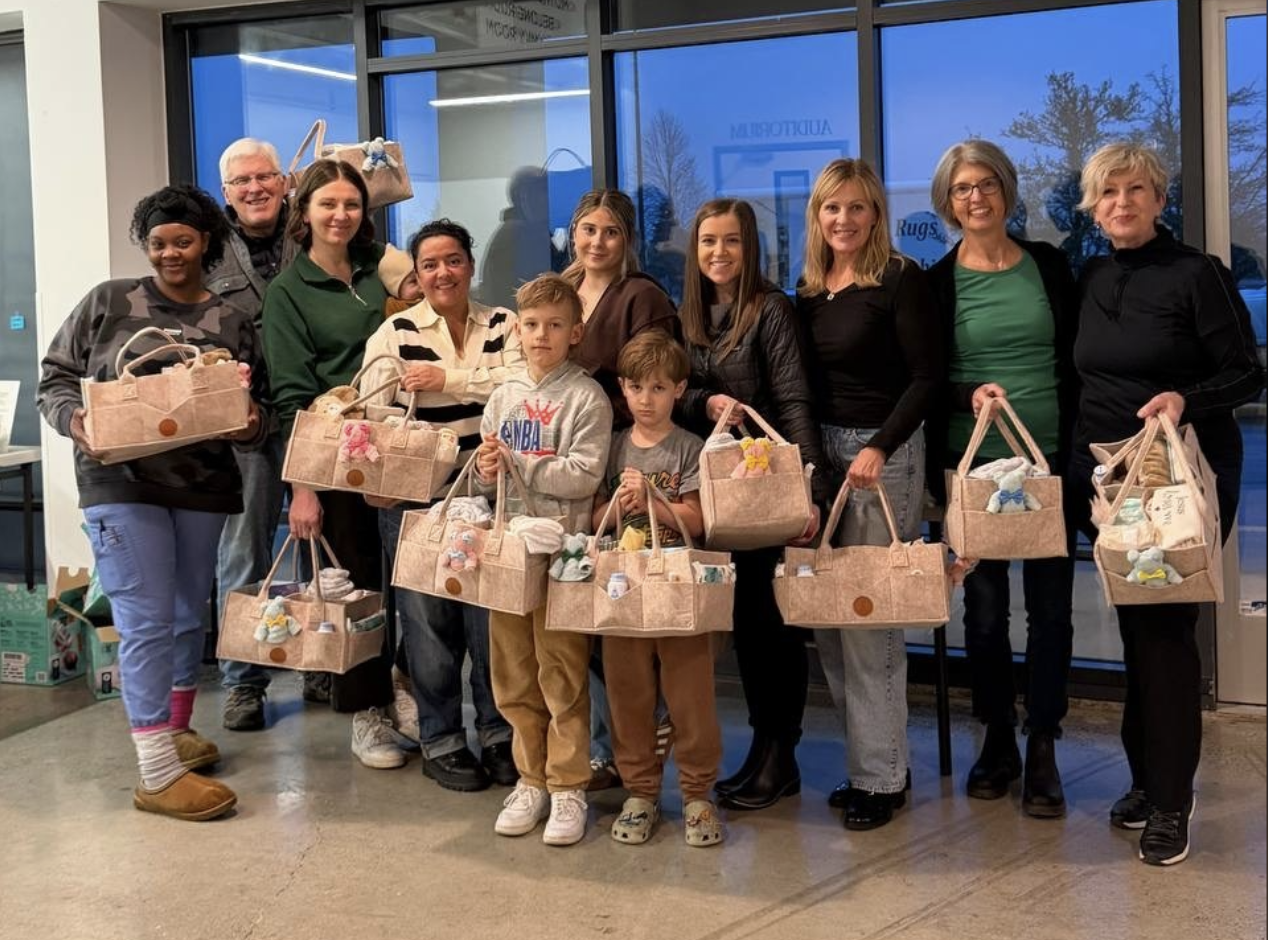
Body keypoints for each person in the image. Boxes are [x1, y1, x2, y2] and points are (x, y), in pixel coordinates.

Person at [37, 184, 267, 821]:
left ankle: (178, 732)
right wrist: (75, 420)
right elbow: (54, 378)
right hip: (121, 484)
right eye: (158, 242)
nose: (169, 253)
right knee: (145, 620)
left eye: (183, 241)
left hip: (203, 486)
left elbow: (261, 412)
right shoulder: (108, 302)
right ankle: (157, 773)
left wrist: (248, 424)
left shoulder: (231, 320)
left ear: (207, 246)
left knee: (190, 614)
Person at [1070, 143, 1263, 865]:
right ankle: (1147, 782)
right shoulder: (1091, 276)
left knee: (1167, 634)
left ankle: (1171, 804)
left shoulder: (1197, 275)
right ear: (1092, 206)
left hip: (1185, 480)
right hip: (1114, 483)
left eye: (1136, 189)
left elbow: (1247, 371)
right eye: (1108, 192)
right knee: (1135, 632)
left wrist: (1186, 399)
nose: (1122, 202)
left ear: (1159, 199)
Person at [925, 139, 1080, 818]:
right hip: (976, 464)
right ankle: (996, 738)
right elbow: (928, 378)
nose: (976, 197)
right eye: (962, 188)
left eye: (987, 184)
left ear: (1007, 191)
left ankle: (1042, 738)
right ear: (948, 201)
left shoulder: (1048, 266)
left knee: (1051, 611)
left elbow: (1077, 357)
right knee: (984, 614)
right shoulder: (936, 282)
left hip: (1048, 461)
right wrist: (968, 396)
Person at [796, 158, 942, 830]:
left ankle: (883, 779)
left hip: (882, 456)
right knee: (829, 622)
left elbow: (926, 377)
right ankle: (871, 764)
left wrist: (879, 446)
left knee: (871, 624)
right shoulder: (808, 289)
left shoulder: (899, 279)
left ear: (876, 213)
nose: (845, 220)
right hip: (822, 459)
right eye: (833, 208)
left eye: (857, 207)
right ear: (817, 216)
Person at [360, 218, 523, 792]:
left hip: (491, 496)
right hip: (417, 503)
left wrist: (446, 378)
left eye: (452, 260)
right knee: (428, 629)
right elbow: (375, 411)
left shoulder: (504, 324)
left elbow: (521, 379)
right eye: (429, 264)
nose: (442, 273)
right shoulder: (394, 332)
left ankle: (500, 734)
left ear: (471, 265)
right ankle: (442, 739)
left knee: (492, 625)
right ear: (417, 274)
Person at [676, 198, 825, 811]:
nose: (719, 253)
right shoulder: (684, 313)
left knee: (772, 628)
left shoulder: (771, 310)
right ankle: (761, 752)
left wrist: (807, 489)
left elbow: (792, 401)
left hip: (762, 492)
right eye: (709, 241)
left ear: (750, 247)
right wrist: (704, 401)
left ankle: (779, 755)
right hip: (710, 495)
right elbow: (673, 391)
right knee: (742, 626)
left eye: (732, 242)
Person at [262, 158, 408, 769]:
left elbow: (426, 291)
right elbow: (291, 398)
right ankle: (365, 713)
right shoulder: (288, 292)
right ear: (305, 212)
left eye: (352, 204)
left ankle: (408, 693)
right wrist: (302, 489)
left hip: (398, 450)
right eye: (328, 205)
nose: (341, 215)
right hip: (335, 464)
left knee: (408, 585)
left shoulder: (379, 271)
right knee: (355, 590)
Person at [474, 273, 613, 846]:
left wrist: (522, 463)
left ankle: (568, 785)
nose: (541, 335)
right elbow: (488, 477)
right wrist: (488, 472)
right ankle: (529, 778)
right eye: (531, 325)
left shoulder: (587, 397)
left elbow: (584, 476)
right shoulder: (502, 396)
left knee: (561, 671)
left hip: (563, 557)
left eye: (555, 325)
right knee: (512, 672)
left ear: (575, 332)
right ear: (517, 329)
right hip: (508, 553)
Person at [560, 188, 679, 789]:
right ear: (572, 232)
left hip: (619, 458)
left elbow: (653, 377)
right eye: (587, 229)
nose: (597, 242)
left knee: (621, 597)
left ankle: (649, 726)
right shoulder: (557, 292)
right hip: (560, 461)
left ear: (627, 238)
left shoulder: (643, 296)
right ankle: (606, 746)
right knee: (579, 604)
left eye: (610, 231)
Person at [597, 330, 724, 846]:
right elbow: (594, 517)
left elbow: (700, 520)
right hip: (622, 593)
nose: (645, 400)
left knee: (691, 695)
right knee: (627, 694)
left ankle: (696, 795)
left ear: (678, 389)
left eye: (657, 388)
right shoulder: (613, 447)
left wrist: (654, 497)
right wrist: (617, 507)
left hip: (679, 592)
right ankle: (640, 792)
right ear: (622, 390)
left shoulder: (690, 448)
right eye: (635, 388)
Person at [207, 137, 297, 733]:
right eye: (241, 182)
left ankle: (322, 661)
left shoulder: (315, 230)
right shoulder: (208, 253)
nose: (255, 188)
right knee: (245, 552)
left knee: (327, 541)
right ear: (226, 193)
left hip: (317, 415)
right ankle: (243, 682)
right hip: (244, 425)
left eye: (264, 176)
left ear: (285, 182)